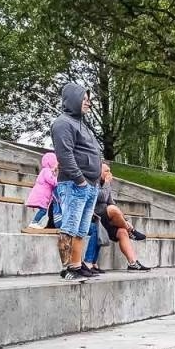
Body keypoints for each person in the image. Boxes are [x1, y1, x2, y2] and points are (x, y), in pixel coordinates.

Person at [50, 82, 103, 281]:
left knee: (81, 229)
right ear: (73, 99)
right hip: (74, 184)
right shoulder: (63, 123)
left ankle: (77, 265)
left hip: (90, 185)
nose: (89, 104)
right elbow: (65, 155)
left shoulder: (82, 124)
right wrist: (80, 179)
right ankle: (67, 269)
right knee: (70, 227)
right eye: (85, 99)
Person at [90, 162, 150, 271]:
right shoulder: (93, 183)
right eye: (106, 171)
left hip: (105, 219)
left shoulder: (105, 184)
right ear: (98, 172)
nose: (109, 173)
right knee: (112, 210)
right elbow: (101, 198)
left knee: (122, 232)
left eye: (109, 170)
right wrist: (107, 184)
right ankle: (131, 231)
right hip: (95, 217)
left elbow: (111, 202)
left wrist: (125, 220)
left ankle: (133, 263)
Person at [25, 151, 60, 229]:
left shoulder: (46, 171)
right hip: (41, 195)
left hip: (43, 195)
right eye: (55, 162)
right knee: (43, 210)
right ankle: (34, 222)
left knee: (43, 210)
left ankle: (35, 222)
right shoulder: (46, 170)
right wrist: (57, 181)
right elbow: (50, 180)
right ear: (51, 162)